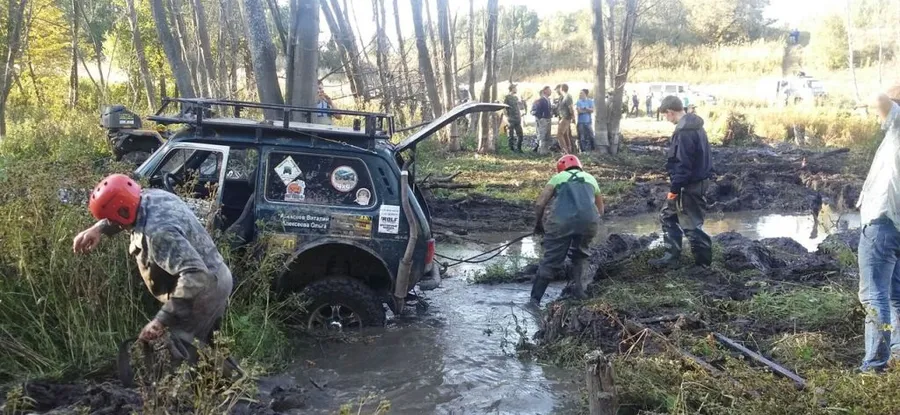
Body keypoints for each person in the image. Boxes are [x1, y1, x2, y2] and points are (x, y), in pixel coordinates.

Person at [72, 174, 234, 369]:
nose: (118, 224)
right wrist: (99, 228)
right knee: (206, 346)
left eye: (113, 219)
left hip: (204, 288)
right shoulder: (149, 197)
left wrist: (161, 320)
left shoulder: (157, 233)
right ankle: (242, 389)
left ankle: (186, 395)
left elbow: (195, 274)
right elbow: (126, 210)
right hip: (216, 276)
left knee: (177, 349)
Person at [855, 93, 900, 373]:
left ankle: (874, 364)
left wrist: (888, 92)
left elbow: (881, 100)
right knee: (896, 294)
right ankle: (896, 351)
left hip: (883, 224)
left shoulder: (898, 128)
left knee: (874, 296)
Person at [531, 155, 605, 306]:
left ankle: (534, 300)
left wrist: (538, 224)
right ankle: (579, 293)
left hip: (560, 223)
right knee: (580, 255)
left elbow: (540, 204)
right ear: (579, 166)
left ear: (560, 168)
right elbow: (601, 209)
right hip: (588, 221)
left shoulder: (557, 178)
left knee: (551, 260)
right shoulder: (590, 178)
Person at [649, 96, 713, 268]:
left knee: (692, 226)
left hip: (690, 184)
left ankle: (704, 265)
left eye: (665, 115)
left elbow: (683, 163)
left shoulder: (685, 131)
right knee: (667, 215)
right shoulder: (696, 126)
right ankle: (671, 257)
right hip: (695, 181)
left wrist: (675, 188)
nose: (665, 119)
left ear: (670, 112)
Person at [532, 86, 554, 155]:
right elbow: (537, 110)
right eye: (549, 90)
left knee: (547, 135)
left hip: (548, 118)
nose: (550, 91)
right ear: (545, 91)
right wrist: (540, 118)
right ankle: (541, 150)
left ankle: (546, 149)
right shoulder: (541, 100)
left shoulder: (548, 100)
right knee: (542, 135)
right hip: (543, 119)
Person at [504, 84, 524, 153]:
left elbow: (520, 107)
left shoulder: (516, 98)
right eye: (515, 88)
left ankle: (519, 148)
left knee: (520, 135)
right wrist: (507, 117)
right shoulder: (507, 97)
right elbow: (504, 108)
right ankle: (511, 149)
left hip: (517, 119)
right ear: (512, 89)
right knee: (511, 135)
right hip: (511, 119)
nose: (516, 89)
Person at [555, 84, 575, 154]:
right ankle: (569, 150)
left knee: (559, 134)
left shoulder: (567, 96)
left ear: (562, 89)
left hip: (566, 117)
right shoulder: (563, 97)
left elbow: (571, 107)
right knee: (565, 135)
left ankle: (564, 151)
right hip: (563, 117)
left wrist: (573, 117)